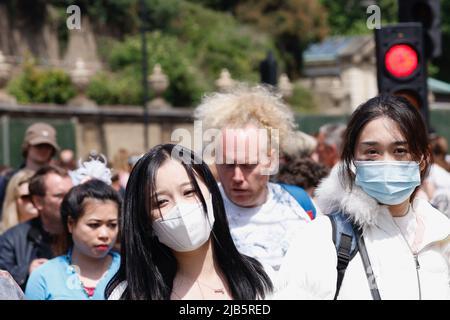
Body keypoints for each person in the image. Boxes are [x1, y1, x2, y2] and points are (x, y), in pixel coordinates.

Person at [276, 95, 450, 300]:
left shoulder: (441, 234)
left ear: (422, 159)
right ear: (352, 160)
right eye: (372, 152)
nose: (387, 163)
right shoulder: (322, 238)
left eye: (400, 150)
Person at [106, 144, 273, 300]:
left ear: (212, 194)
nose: (180, 208)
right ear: (144, 220)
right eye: (161, 202)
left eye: (189, 192)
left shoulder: (260, 278)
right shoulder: (129, 294)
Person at [194, 85, 314, 273]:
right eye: (227, 164)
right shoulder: (201, 209)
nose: (237, 177)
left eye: (248, 165)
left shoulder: (299, 203)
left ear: (271, 159)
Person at [25, 179, 120, 300]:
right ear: (71, 224)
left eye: (112, 225)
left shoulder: (132, 271)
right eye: (94, 225)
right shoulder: (43, 277)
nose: (104, 234)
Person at [0, 165, 72, 288]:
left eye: (71, 194)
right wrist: (27, 272)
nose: (69, 200)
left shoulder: (85, 233)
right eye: (59, 196)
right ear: (38, 202)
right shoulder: (11, 239)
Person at [0, 122, 59, 220]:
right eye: (39, 145)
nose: (43, 150)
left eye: (48, 146)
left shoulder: (58, 180)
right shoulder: (8, 179)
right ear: (27, 146)